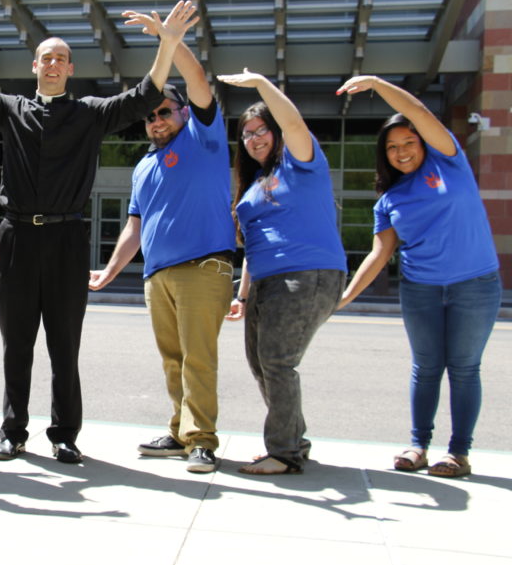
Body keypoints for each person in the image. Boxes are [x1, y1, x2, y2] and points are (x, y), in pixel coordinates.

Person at [0, 0, 199, 464]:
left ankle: (65, 434)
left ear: (70, 69)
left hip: (67, 239)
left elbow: (143, 95)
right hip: (18, 237)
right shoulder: (11, 110)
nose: (52, 64)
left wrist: (167, 42)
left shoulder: (90, 114)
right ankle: (13, 431)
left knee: (65, 344)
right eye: (45, 57)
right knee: (16, 343)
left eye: (60, 58)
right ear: (35, 67)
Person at [336, 76, 501, 478]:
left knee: (463, 368)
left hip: (475, 285)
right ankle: (418, 445)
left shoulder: (450, 161)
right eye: (392, 148)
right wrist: (342, 297)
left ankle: (458, 452)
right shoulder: (390, 200)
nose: (401, 152)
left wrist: (375, 83)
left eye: (408, 142)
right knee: (426, 367)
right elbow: (379, 254)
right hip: (421, 290)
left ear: (424, 142)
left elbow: (419, 113)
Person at [89, 42, 234, 474]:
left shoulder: (202, 138)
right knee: (173, 360)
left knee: (198, 358)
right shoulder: (142, 168)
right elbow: (134, 227)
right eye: (150, 115)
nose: (156, 120)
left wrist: (170, 41)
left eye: (164, 111)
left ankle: (203, 441)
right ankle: (180, 432)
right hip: (157, 276)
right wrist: (111, 271)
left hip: (203, 268)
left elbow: (198, 82)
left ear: (183, 112)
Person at [219, 68, 347, 475]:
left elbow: (293, 121)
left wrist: (260, 84)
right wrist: (241, 296)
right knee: (262, 364)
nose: (253, 139)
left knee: (277, 361)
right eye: (246, 134)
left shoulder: (300, 161)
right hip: (265, 282)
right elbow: (255, 247)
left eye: (261, 130)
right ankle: (293, 441)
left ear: (275, 132)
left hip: (307, 274)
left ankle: (285, 452)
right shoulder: (256, 181)